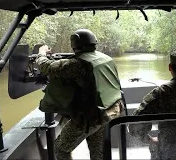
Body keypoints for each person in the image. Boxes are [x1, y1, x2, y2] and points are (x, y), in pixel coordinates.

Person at [35, 29, 124, 160]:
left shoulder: (77, 64)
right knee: (98, 151)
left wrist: (41, 53)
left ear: (75, 44)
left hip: (91, 117)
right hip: (109, 112)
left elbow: (46, 67)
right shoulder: (106, 58)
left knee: (61, 148)